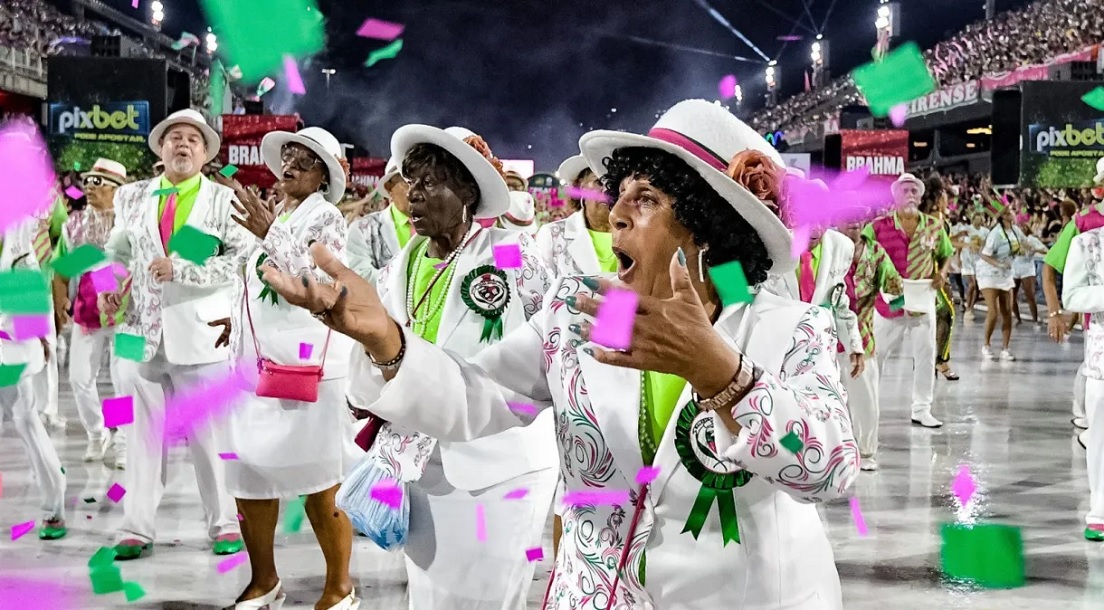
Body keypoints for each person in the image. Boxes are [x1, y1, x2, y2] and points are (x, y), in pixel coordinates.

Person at [262, 100, 858, 609]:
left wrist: (721, 374)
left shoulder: (786, 328)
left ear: (710, 225)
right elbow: (476, 397)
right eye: (619, 193)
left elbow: (828, 470)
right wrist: (387, 342)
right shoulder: (582, 318)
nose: (615, 212)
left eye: (644, 198)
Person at [345, 125, 557, 609]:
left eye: (430, 184)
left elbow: (551, 333)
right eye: (410, 182)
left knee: (489, 595)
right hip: (419, 464)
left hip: (499, 465)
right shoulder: (405, 260)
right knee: (430, 595)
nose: (413, 196)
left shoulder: (505, 250)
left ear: (468, 192)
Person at [214, 127, 360, 610]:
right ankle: (264, 582)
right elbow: (260, 284)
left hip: (309, 372)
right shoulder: (279, 213)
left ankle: (339, 587)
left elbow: (320, 284)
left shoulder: (329, 218)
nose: (290, 163)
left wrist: (268, 234)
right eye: (288, 156)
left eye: (304, 158)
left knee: (321, 484)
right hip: (257, 367)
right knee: (250, 478)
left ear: (324, 175)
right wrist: (234, 322)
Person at [99, 109, 249, 561]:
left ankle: (224, 523)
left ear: (205, 154)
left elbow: (240, 259)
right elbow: (118, 251)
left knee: (209, 436)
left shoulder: (224, 202)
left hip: (201, 334)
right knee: (140, 436)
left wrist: (181, 267)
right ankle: (136, 527)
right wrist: (110, 287)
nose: (182, 145)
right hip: (139, 332)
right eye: (174, 138)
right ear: (160, 147)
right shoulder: (131, 197)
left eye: (193, 140)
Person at [53, 158, 129, 468]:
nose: (90, 187)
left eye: (98, 182)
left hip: (130, 316)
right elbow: (64, 268)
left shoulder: (132, 223)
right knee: (79, 378)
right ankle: (97, 432)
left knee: (125, 380)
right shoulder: (75, 223)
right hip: (87, 314)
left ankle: (123, 440)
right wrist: (61, 299)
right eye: (88, 181)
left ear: (117, 190)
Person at [865, 173, 953, 428]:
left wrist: (942, 273)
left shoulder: (934, 226)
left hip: (923, 298)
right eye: (905, 191)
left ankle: (922, 408)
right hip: (890, 302)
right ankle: (868, 404)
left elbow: (946, 254)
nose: (911, 195)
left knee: (926, 356)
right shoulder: (878, 227)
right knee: (876, 355)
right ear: (895, 196)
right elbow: (863, 253)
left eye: (915, 191)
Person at [1, 212, 67, 542]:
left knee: (26, 420)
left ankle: (53, 504)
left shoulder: (18, 226)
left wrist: (38, 338)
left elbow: (25, 279)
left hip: (10, 344)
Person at [838, 219, 902, 472]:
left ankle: (866, 451)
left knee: (866, 400)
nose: (852, 223)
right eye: (847, 217)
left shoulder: (876, 252)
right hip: (828, 338)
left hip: (863, 339)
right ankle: (837, 449)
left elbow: (894, 286)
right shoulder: (829, 248)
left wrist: (895, 312)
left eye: (857, 218)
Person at [764, 223, 864, 383]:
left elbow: (838, 300)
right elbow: (740, 301)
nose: (815, 228)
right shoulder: (767, 241)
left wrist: (853, 344)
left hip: (820, 356)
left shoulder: (841, 247)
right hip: (775, 354)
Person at [1057, 227, 1104, 541]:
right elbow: (1071, 296)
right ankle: (1100, 510)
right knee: (1100, 436)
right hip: (1102, 359)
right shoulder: (1086, 243)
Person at [536, 155, 616, 278]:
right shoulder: (552, 236)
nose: (607, 190)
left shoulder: (638, 235)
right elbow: (540, 289)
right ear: (581, 187)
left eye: (613, 183)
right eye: (599, 182)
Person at [347, 156, 412, 284]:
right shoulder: (362, 229)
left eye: (424, 183)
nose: (416, 191)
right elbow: (360, 277)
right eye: (407, 183)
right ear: (389, 188)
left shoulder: (440, 226)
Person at [918, 175, 959, 380]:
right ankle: (941, 361)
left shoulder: (936, 215)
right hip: (932, 274)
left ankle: (929, 361)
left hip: (937, 272)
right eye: (944, 194)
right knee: (946, 314)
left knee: (934, 318)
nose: (947, 199)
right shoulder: (933, 218)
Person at [976, 206, 1026, 361]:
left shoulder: (1016, 231)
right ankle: (986, 345)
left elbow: (1024, 244)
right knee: (994, 311)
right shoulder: (996, 233)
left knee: (1007, 312)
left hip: (1005, 274)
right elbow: (984, 255)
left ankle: (1005, 348)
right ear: (1004, 216)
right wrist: (998, 264)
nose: (1013, 213)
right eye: (1010, 212)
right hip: (989, 273)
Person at [1012, 214, 1047, 324]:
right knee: (1011, 296)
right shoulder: (1013, 239)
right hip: (1014, 268)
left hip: (1027, 268)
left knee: (1030, 295)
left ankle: (1035, 319)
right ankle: (1018, 319)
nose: (1022, 228)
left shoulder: (1031, 239)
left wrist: (1033, 249)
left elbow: (1046, 250)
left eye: (1024, 226)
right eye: (1019, 226)